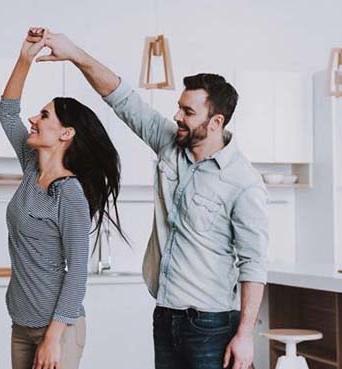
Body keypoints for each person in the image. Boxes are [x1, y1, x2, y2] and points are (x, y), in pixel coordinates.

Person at [36, 30, 269, 369]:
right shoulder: (171, 145)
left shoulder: (243, 182)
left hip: (211, 325)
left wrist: (245, 334)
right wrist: (74, 53)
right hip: (166, 315)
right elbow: (122, 98)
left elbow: (254, 264)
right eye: (179, 108)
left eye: (188, 112)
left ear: (216, 122)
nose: (177, 117)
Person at [0, 27, 124, 369]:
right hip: (21, 324)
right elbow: (7, 112)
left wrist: (53, 338)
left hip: (56, 330)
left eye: (44, 116)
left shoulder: (70, 193)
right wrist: (25, 58)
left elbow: (77, 271)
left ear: (66, 133)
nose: (32, 119)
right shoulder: (30, 167)